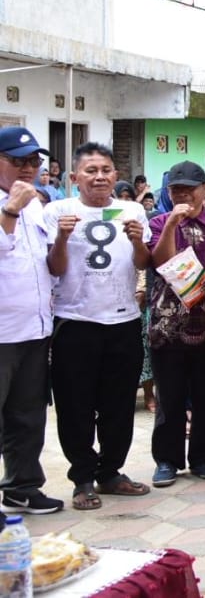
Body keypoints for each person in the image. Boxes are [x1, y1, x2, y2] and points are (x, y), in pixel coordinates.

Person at [46, 142, 154, 510]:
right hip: (75, 322)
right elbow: (55, 268)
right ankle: (83, 478)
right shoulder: (57, 211)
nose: (99, 177)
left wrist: (138, 241)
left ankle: (111, 472)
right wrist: (61, 236)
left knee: (119, 404)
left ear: (115, 175)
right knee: (75, 405)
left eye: (106, 170)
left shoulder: (132, 209)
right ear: (74, 177)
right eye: (90, 171)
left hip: (123, 320)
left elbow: (143, 262)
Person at [147, 161, 205, 487]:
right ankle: (167, 460)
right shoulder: (156, 222)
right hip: (167, 327)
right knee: (169, 399)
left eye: (189, 188)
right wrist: (171, 224)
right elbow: (161, 261)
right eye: (175, 189)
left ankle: (204, 458)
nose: (182, 194)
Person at [0, 127, 63, 513]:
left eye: (33, 162)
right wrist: (9, 211)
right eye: (17, 161)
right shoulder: (16, 205)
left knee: (28, 416)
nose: (27, 169)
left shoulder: (39, 205)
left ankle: (22, 486)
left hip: (35, 330)